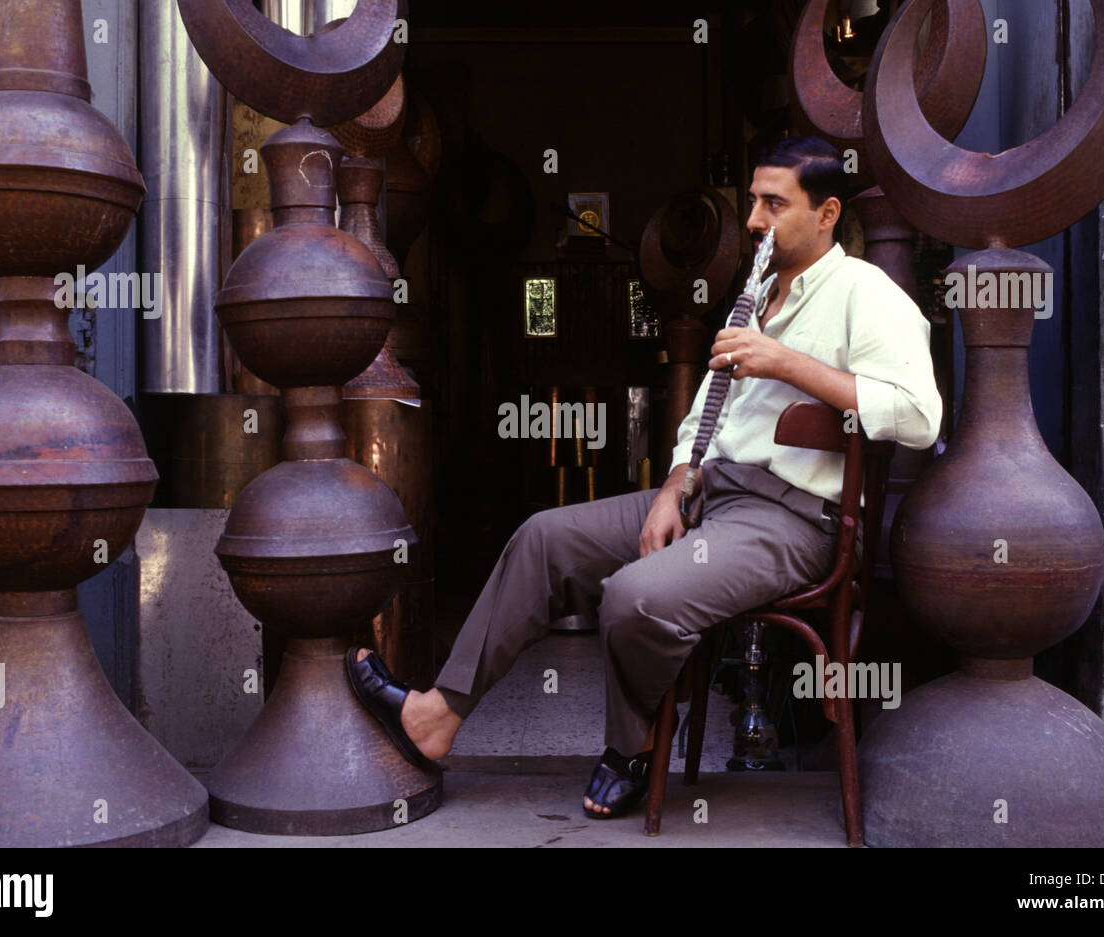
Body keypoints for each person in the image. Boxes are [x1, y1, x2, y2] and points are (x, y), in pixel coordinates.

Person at [349, 136, 942, 819]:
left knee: (633, 597)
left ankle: (630, 746)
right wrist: (672, 487)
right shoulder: (758, 295)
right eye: (754, 201)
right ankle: (438, 715)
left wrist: (784, 363)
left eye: (774, 204)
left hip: (793, 518)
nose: (753, 220)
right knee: (544, 538)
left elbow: (918, 415)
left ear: (828, 211)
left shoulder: (864, 293)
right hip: (712, 492)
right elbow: (704, 416)